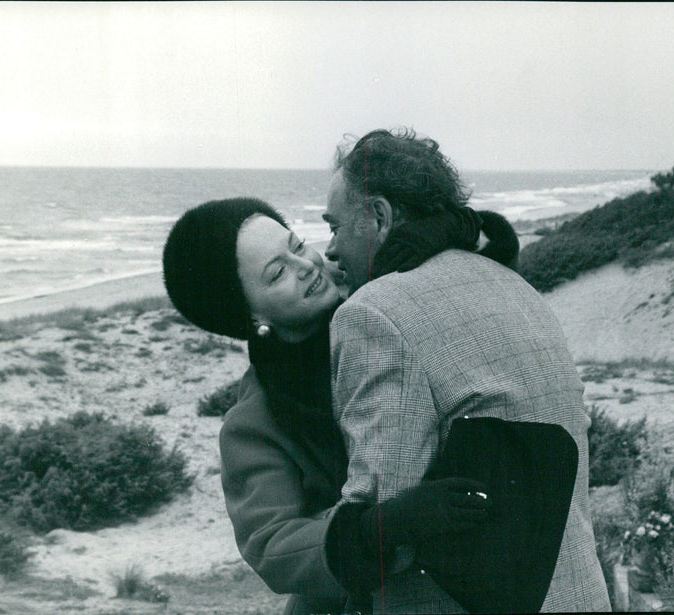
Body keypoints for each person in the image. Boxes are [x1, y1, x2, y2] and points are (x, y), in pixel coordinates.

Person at [162, 197, 508, 615]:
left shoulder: (382, 297)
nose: (305, 264)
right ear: (250, 315)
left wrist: (443, 229)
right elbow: (271, 545)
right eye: (277, 273)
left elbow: (489, 251)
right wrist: (382, 527)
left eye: (297, 245)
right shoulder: (255, 420)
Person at [323, 128, 612, 612]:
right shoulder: (516, 287)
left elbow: (382, 534)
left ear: (378, 216)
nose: (329, 250)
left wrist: (345, 541)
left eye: (334, 226)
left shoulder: (374, 312)